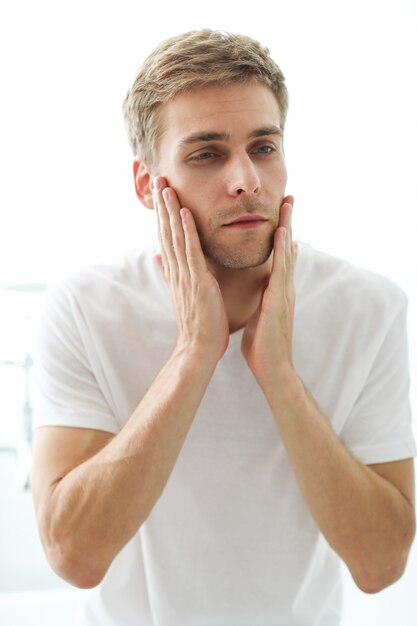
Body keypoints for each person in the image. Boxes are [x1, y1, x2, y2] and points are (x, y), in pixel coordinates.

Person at [31, 29, 416, 626]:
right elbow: (73, 555)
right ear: (146, 185)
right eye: (206, 154)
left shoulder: (370, 308)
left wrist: (280, 376)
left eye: (263, 147)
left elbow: (381, 564)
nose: (246, 179)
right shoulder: (85, 306)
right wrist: (193, 355)